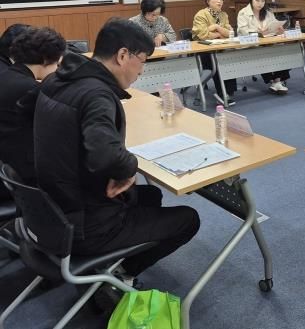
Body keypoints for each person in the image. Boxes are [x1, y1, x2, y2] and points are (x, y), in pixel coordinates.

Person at [34, 18, 200, 284]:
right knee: (188, 219)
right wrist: (128, 169)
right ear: (123, 55)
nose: (142, 71)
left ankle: (117, 261)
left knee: (150, 195)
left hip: (50, 212)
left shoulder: (57, 79)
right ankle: (121, 275)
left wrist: (122, 171)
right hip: (85, 226)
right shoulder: (96, 94)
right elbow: (104, 154)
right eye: (142, 61)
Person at [0, 27, 65, 199]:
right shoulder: (30, 89)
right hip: (22, 177)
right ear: (45, 59)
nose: (57, 69)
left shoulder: (6, 76)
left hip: (7, 165)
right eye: (57, 64)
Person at [236, 0, 290, 94]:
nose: (260, 3)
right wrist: (258, 33)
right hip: (251, 46)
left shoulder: (268, 12)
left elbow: (274, 26)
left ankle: (277, 81)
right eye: (257, 0)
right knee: (263, 53)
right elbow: (243, 31)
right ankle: (274, 81)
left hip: (268, 43)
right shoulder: (243, 13)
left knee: (283, 50)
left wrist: (279, 30)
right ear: (251, 0)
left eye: (263, 0)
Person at [192, 0, 237, 105]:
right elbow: (203, 35)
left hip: (220, 47)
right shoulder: (201, 15)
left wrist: (216, 28)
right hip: (204, 50)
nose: (219, 1)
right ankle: (222, 94)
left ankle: (229, 91)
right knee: (217, 62)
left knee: (230, 58)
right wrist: (220, 33)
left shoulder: (223, 15)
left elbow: (229, 34)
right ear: (208, 1)